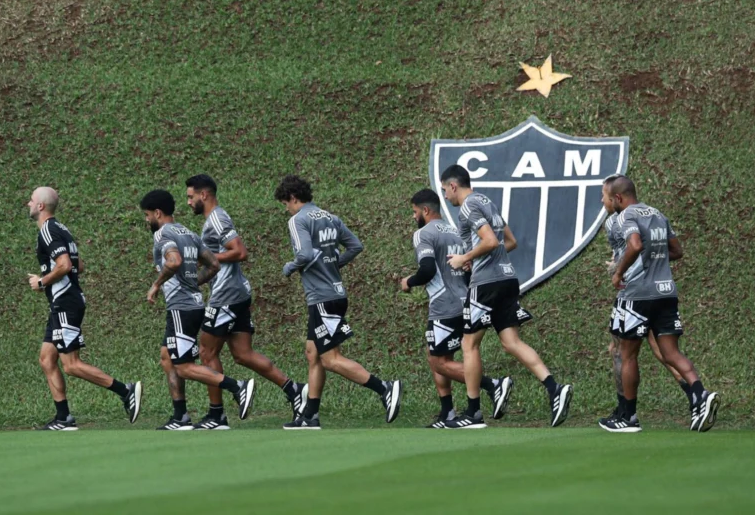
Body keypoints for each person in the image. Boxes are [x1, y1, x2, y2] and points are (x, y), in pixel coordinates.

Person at [440, 165, 573, 429]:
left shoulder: (468, 206)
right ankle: (554, 388)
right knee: (511, 342)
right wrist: (475, 260)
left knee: (469, 346)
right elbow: (508, 241)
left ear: (454, 186)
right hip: (507, 279)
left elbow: (490, 241)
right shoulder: (487, 202)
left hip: (486, 284)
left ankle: (473, 412)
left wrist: (464, 258)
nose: (445, 196)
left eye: (445, 190)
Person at [276, 175, 402, 430]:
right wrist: (333, 265)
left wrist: (290, 267)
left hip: (322, 297)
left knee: (330, 359)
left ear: (293, 198)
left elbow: (303, 254)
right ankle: (310, 416)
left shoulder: (297, 220)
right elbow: (355, 246)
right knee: (313, 354)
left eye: (285, 203)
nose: (286, 209)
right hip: (335, 293)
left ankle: (384, 388)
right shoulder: (330, 218)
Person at [598, 176, 719, 433]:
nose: (603, 201)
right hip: (666, 292)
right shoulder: (657, 214)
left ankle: (628, 417)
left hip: (637, 295)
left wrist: (619, 273)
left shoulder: (623, 217)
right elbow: (676, 251)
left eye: (605, 196)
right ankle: (700, 394)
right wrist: (654, 261)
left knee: (626, 354)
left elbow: (634, 244)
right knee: (671, 352)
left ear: (618, 198)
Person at [185, 174, 307, 431]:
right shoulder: (213, 219)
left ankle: (216, 415)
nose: (188, 202)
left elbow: (240, 251)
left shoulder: (217, 218)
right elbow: (218, 262)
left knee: (207, 352)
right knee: (243, 354)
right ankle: (295, 390)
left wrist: (205, 255)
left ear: (203, 195)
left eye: (190, 196)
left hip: (227, 295)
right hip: (235, 292)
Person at [28, 187, 142, 431]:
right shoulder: (61, 229)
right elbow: (80, 264)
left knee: (71, 364)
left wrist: (42, 281)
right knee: (47, 359)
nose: (28, 203)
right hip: (63, 301)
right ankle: (63, 418)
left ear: (40, 206)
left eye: (31, 200)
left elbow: (66, 265)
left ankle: (125, 390)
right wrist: (50, 278)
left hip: (65, 303)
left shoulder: (48, 231)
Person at [140, 189, 254, 431]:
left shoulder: (163, 234)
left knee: (183, 366)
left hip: (181, 308)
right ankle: (180, 416)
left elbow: (173, 261)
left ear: (157, 213)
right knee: (167, 356)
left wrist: (156, 285)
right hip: (193, 305)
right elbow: (213, 264)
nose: (146, 220)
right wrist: (193, 283)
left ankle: (237, 386)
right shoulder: (188, 233)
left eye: (147, 215)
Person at [400, 188, 513, 428]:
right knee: (440, 356)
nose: (413, 217)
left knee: (437, 362)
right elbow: (467, 267)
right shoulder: (455, 231)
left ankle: (492, 385)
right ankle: (447, 413)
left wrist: (408, 282)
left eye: (414, 211)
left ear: (425, 210)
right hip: (464, 301)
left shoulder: (423, 234)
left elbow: (428, 269)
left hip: (443, 305)